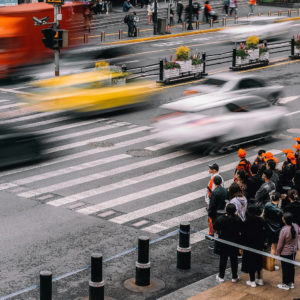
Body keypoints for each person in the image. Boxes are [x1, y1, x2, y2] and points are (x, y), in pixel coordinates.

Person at [214, 203, 242, 283]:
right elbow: (241, 230)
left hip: (223, 242)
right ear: (235, 211)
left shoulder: (221, 219)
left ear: (226, 210)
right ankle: (234, 276)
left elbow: (215, 227)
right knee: (234, 260)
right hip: (235, 242)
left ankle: (221, 276)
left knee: (223, 259)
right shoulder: (237, 219)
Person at [241, 205, 266, 288]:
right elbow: (264, 233)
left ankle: (252, 281)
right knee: (259, 261)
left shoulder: (246, 222)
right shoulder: (261, 220)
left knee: (251, 263)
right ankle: (260, 279)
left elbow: (243, 235)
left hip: (249, 245)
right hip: (259, 245)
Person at [276, 212, 300, 290]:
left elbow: (280, 244)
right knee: (291, 267)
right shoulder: (296, 226)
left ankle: (285, 284)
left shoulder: (284, 230)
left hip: (285, 252)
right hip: (293, 251)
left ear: (285, 220)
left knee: (285, 268)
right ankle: (291, 283)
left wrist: (277, 252)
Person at [205, 163, 224, 236]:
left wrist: (208, 203)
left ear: (214, 170)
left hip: (213, 202)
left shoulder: (214, 179)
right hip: (218, 202)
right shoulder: (218, 177)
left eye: (210, 168)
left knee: (211, 218)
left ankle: (211, 233)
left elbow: (211, 193)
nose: (209, 170)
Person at [264, 192, 283, 257]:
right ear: (279, 200)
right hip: (276, 230)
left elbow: (264, 215)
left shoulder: (267, 205)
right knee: (274, 247)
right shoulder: (280, 211)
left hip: (267, 228)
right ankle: (272, 264)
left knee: (267, 246)